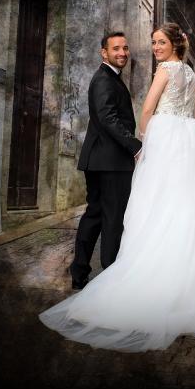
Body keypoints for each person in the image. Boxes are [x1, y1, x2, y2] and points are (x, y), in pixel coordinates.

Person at [40, 23, 195, 351]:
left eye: (161, 42)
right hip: (185, 144)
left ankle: (123, 273)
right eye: (153, 42)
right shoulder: (190, 73)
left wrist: (147, 143)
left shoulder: (165, 70)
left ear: (174, 43)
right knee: (185, 208)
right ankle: (168, 276)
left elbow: (147, 110)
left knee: (154, 206)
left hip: (163, 144)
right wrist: (190, 133)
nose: (155, 47)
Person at [69, 32, 142, 290]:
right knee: (113, 218)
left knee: (95, 215)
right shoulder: (104, 79)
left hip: (100, 159)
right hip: (110, 162)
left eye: (125, 48)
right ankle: (110, 277)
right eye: (116, 48)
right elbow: (107, 118)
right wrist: (135, 146)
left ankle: (79, 272)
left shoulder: (110, 77)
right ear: (104, 52)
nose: (122, 53)